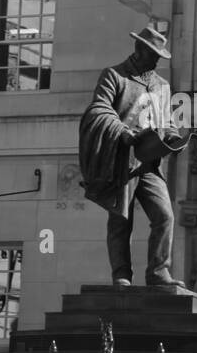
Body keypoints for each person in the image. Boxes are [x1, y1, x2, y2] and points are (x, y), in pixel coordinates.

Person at [78, 24, 186, 290]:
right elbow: (99, 109)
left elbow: (167, 122)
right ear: (139, 50)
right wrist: (123, 132)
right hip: (122, 159)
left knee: (165, 216)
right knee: (120, 220)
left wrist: (173, 138)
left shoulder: (162, 85)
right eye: (153, 54)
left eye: (159, 55)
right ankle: (121, 275)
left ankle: (158, 272)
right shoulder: (115, 75)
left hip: (149, 163)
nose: (157, 60)